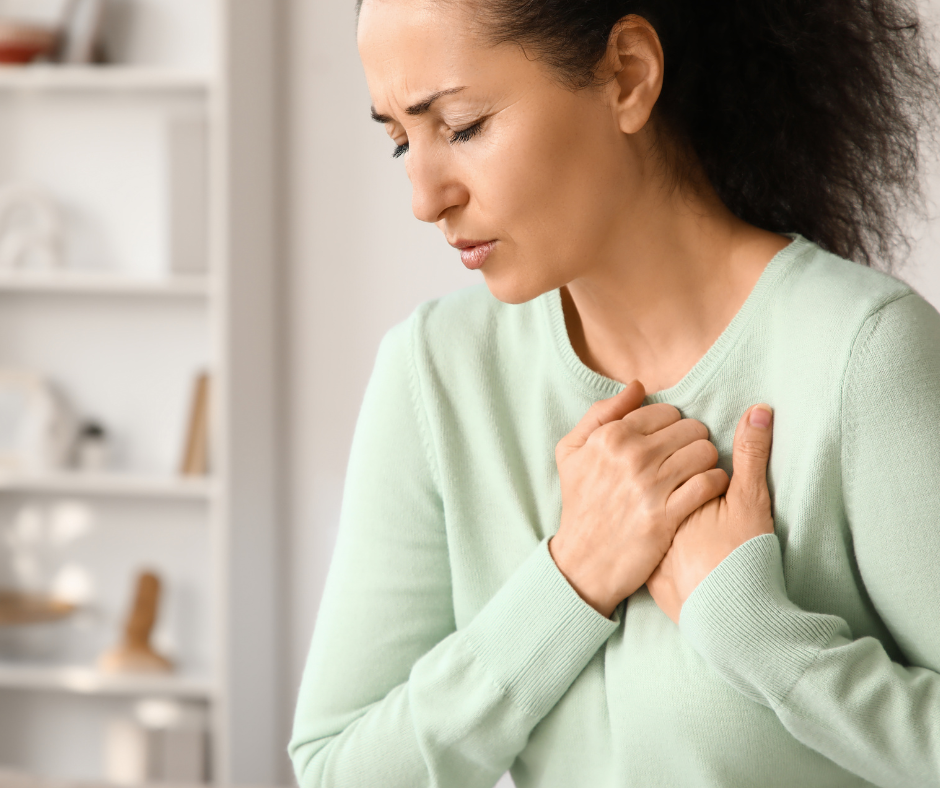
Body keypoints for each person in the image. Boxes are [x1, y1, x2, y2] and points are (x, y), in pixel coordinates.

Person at [289, 0, 940, 786]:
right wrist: (568, 579)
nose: (425, 198)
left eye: (460, 126)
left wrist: (767, 642)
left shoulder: (861, 354)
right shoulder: (436, 373)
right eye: (399, 139)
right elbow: (337, 772)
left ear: (627, 75)